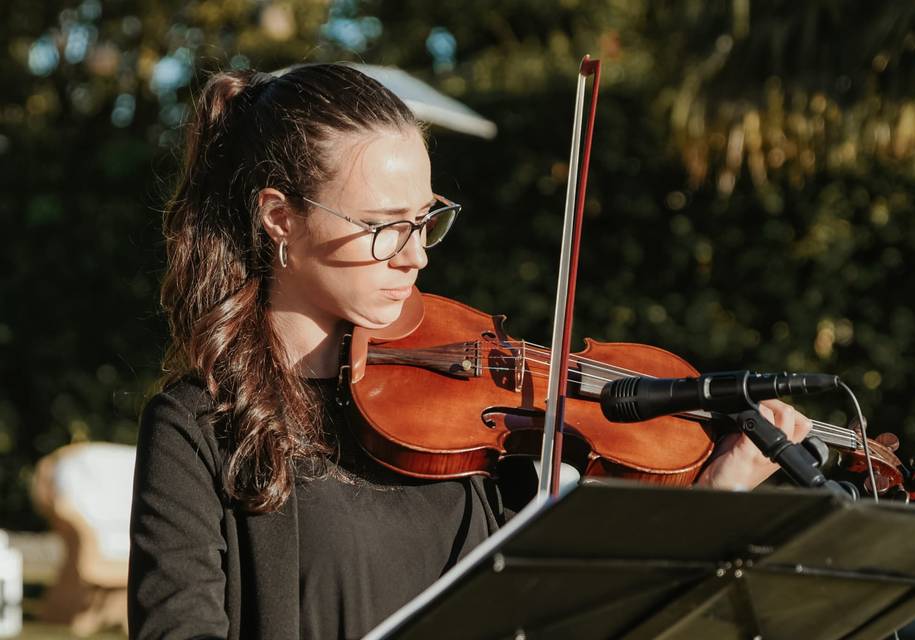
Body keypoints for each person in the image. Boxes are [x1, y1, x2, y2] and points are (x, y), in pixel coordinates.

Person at [127, 63, 811, 640]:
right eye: (383, 226)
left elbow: (579, 622)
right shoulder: (199, 427)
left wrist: (711, 504)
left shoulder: (464, 422)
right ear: (280, 217)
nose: (416, 254)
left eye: (425, 219)